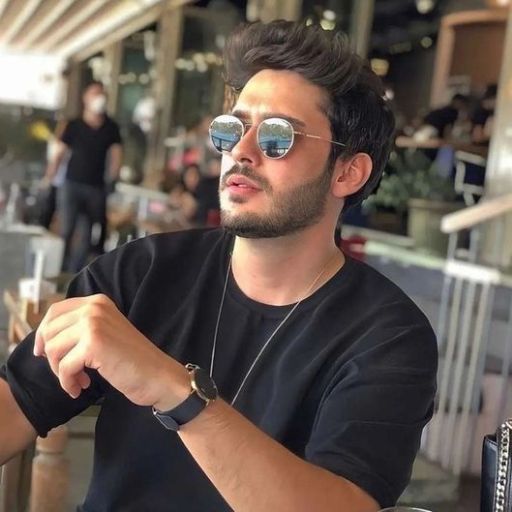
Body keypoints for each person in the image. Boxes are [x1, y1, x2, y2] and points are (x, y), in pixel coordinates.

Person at [0, 21, 437, 511]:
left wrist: (175, 391)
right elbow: (14, 405)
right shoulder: (140, 274)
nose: (240, 152)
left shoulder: (387, 337)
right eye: (232, 128)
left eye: (277, 136)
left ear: (347, 172)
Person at [43, 81, 123, 273]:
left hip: (95, 188)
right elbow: (59, 153)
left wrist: (112, 180)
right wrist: (49, 177)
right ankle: (59, 271)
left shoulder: (111, 128)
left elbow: (116, 155)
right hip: (71, 185)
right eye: (95, 93)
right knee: (67, 230)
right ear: (85, 98)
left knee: (88, 234)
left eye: (102, 94)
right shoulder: (73, 125)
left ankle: (75, 274)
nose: (99, 98)